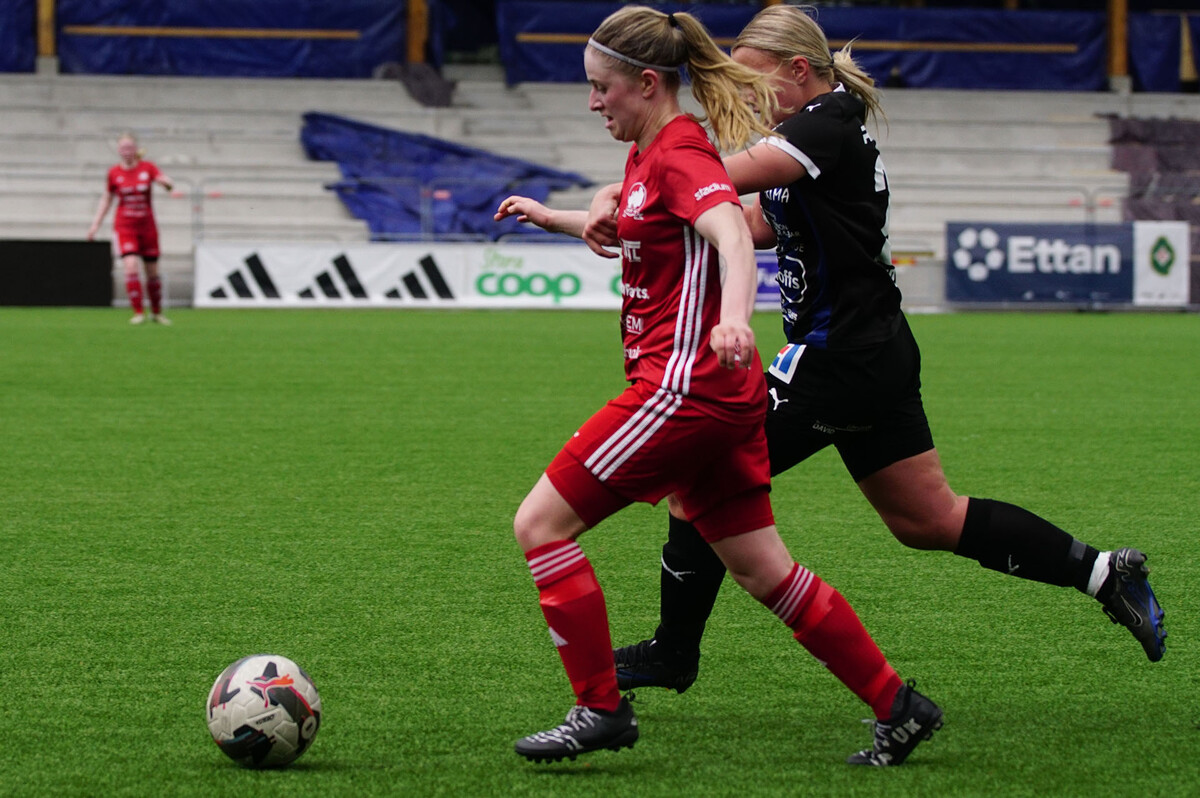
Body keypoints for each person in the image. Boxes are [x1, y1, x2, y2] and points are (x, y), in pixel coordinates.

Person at [575, 4, 1167, 696]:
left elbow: (706, 182)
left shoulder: (819, 125)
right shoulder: (816, 130)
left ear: (799, 70)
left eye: (756, 82)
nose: (747, 98)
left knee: (698, 476)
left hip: (836, 358)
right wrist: (632, 209)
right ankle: (1103, 572)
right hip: (875, 352)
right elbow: (755, 221)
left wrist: (629, 186)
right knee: (927, 518)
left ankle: (673, 651)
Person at [495, 6, 941, 769]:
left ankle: (600, 710)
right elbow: (647, 229)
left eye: (602, 87)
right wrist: (556, 218)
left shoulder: (679, 153)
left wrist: (735, 318)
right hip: (720, 400)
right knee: (764, 571)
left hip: (683, 389)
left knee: (539, 525)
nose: (593, 102)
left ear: (647, 83)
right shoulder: (652, 155)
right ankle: (899, 706)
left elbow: (733, 233)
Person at [87, 132, 175, 325]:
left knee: (152, 272)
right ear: (118, 151)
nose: (126, 151)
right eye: (123, 148)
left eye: (129, 147)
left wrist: (167, 184)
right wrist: (95, 224)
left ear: (135, 149)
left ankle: (156, 312)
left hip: (147, 227)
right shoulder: (114, 173)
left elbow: (166, 183)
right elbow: (107, 198)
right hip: (125, 227)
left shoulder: (148, 167)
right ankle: (138, 312)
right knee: (130, 265)